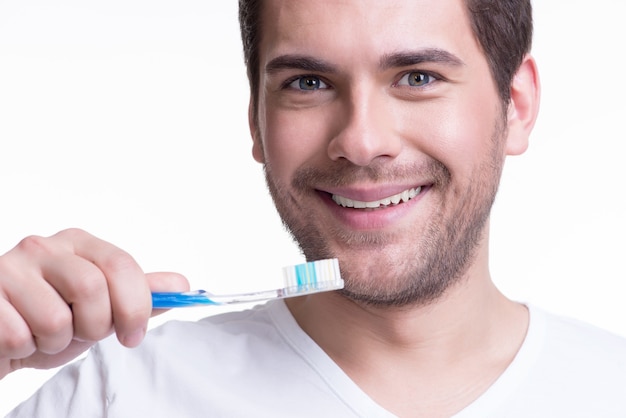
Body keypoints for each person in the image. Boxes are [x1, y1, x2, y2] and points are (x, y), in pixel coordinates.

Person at [2, 0, 626, 416]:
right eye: (308, 83)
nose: (361, 140)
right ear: (256, 120)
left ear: (515, 105)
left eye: (416, 77)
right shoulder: (119, 397)